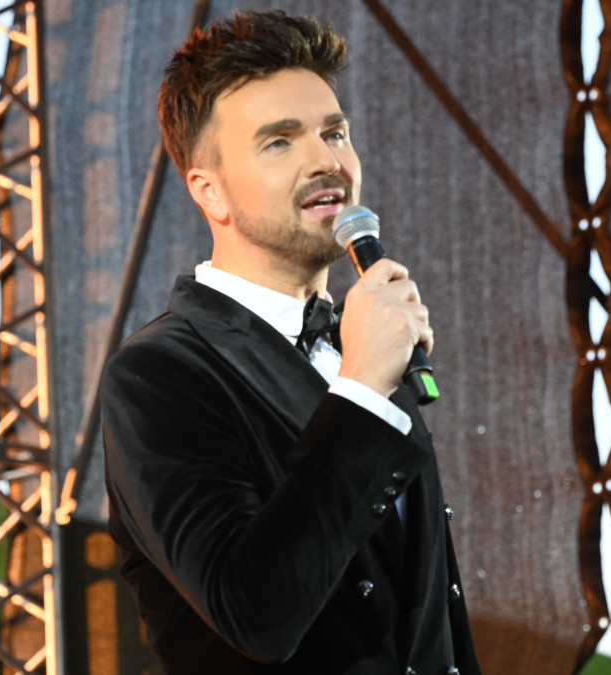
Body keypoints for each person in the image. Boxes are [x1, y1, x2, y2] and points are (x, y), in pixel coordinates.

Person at [101, 10, 480, 674]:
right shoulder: (159, 374)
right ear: (210, 191)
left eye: (334, 133)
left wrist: (365, 376)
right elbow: (256, 613)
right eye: (279, 142)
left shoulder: (356, 348)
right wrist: (362, 389)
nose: (326, 160)